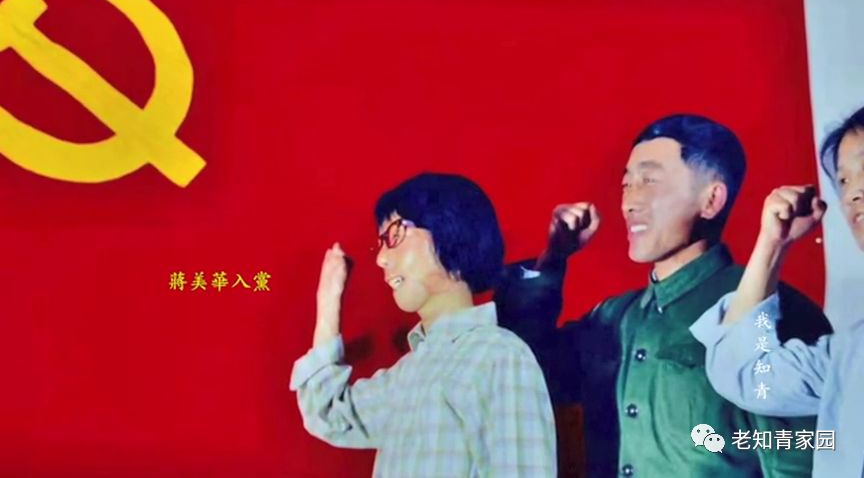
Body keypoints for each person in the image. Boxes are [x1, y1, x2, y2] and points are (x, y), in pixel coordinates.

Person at [495, 114, 832, 477]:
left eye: (649, 181)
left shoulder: (767, 312)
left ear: (711, 200)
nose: (629, 203)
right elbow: (527, 372)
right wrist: (552, 259)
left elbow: (805, 460)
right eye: (626, 184)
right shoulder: (614, 318)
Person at [290, 173, 556, 477]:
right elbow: (329, 414)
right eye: (380, 244)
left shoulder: (500, 356)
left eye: (395, 234)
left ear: (450, 230)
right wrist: (328, 300)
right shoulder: (405, 375)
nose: (381, 259)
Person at [690, 105, 864, 477]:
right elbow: (747, 375)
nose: (853, 193)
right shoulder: (849, 355)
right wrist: (773, 243)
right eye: (844, 180)